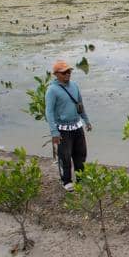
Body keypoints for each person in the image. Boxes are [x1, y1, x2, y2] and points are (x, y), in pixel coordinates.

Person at [44, 59, 92, 192]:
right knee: (65, 156)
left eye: (69, 71)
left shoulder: (75, 86)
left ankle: (81, 178)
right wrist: (54, 132)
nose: (67, 74)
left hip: (77, 126)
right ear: (56, 74)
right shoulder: (52, 90)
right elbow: (49, 112)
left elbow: (80, 105)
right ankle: (66, 181)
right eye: (64, 72)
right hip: (62, 129)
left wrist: (86, 121)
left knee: (81, 154)